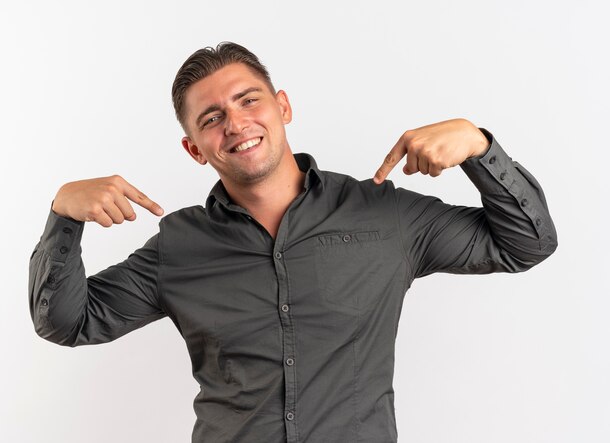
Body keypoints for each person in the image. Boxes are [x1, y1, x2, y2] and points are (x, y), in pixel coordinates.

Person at [29, 42, 558, 443]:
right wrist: (63, 217)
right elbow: (68, 322)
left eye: (248, 100)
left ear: (282, 107)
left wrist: (478, 147)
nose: (236, 123)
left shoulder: (384, 215)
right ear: (195, 149)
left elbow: (526, 244)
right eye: (212, 119)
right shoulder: (178, 246)